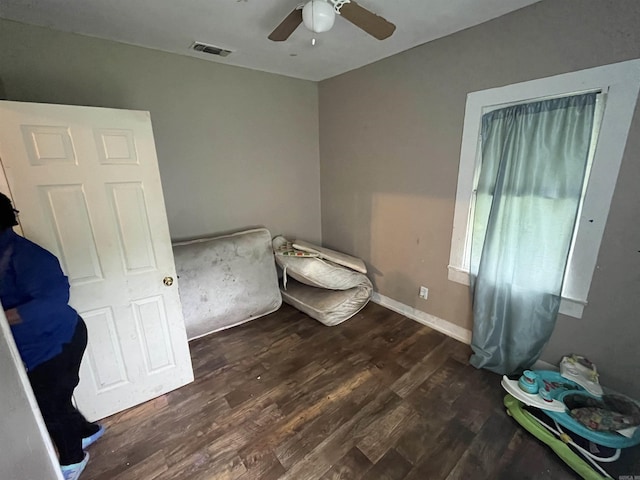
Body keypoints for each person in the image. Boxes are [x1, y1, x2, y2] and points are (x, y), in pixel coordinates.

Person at [0, 192, 104, 480]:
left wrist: (5, 318)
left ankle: (73, 460)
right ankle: (87, 432)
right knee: (56, 398)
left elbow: (54, 299)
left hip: (59, 340)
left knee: (50, 404)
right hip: (34, 346)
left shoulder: (27, 256)